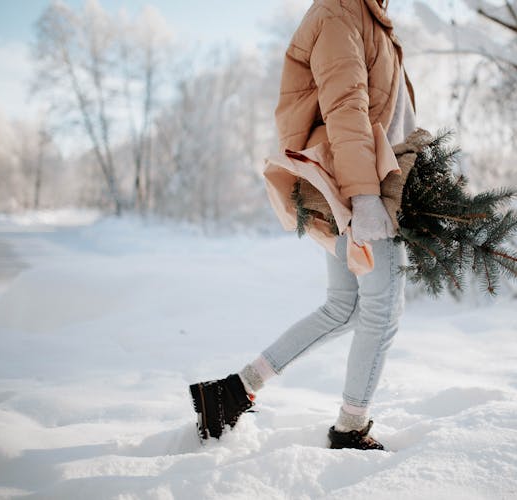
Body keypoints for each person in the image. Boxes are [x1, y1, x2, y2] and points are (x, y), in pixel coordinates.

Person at [189, 0, 416, 451]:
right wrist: (364, 196)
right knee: (382, 310)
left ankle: (233, 390)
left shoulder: (369, 16)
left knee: (343, 307)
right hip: (359, 186)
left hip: (363, 180)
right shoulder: (340, 13)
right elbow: (346, 107)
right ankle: (351, 428)